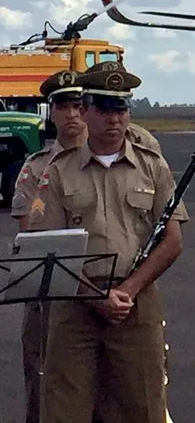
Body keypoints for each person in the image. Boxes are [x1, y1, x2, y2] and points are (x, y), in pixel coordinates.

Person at [35, 64, 190, 423]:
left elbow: (172, 240)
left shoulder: (152, 166)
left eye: (120, 108)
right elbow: (50, 248)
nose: (114, 118)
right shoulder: (57, 171)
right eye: (104, 108)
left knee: (143, 406)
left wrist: (129, 289)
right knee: (65, 409)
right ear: (85, 111)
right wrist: (96, 297)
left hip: (136, 303)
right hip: (74, 307)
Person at [10, 70, 89, 423]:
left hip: (109, 290)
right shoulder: (35, 168)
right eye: (62, 106)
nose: (71, 114)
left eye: (77, 105)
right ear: (51, 111)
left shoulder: (115, 159)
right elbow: (32, 235)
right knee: (44, 387)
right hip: (52, 297)